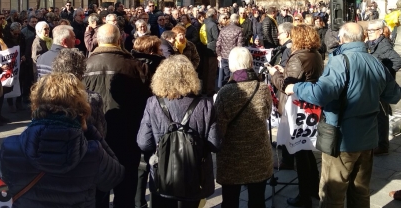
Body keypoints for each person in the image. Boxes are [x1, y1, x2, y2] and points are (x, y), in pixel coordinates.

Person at [286, 23, 401, 207]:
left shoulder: (340, 61)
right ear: (363, 38)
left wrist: (295, 87)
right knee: (361, 192)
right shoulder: (376, 62)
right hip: (368, 138)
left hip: (343, 139)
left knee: (333, 194)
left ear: (342, 39)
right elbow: (394, 94)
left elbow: (320, 93)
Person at [0, 72, 124, 207]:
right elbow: (115, 176)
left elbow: (2, 179)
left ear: (36, 102)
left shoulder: (11, 147)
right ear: (80, 106)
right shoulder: (93, 153)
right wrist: (91, 130)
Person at [137, 56, 221, 208]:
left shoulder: (153, 103)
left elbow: (143, 142)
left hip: (163, 177)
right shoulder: (205, 105)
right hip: (195, 178)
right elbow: (215, 143)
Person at [83, 24, 150, 208]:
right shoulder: (136, 65)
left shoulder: (85, 66)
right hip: (128, 134)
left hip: (95, 135)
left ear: (97, 41)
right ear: (119, 40)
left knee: (99, 189)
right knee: (126, 188)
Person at [269, 25, 324, 208]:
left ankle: (304, 196)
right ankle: (314, 188)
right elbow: (302, 77)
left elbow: (287, 87)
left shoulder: (298, 56)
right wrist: (285, 71)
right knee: (306, 151)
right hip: (310, 105)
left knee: (300, 153)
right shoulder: (314, 53)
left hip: (298, 108)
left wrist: (274, 74)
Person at [215, 47, 273, 208]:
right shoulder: (262, 88)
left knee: (230, 201)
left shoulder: (225, 92)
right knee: (257, 200)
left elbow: (219, 125)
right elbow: (267, 114)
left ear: (232, 65)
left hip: (232, 156)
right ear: (250, 62)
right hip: (258, 153)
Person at [365, 19, 401, 156]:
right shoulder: (373, 43)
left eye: (372, 30)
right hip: (375, 85)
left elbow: (397, 61)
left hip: (380, 85)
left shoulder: (383, 45)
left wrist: (384, 74)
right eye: (368, 30)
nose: (369, 33)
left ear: (380, 31)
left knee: (381, 115)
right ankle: (379, 142)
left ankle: (382, 145)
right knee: (378, 114)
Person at [216, 13, 244, 88]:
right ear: (237, 20)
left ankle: (224, 90)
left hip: (224, 56)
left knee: (225, 75)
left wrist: (218, 54)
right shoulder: (239, 30)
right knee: (234, 75)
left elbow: (218, 44)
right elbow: (239, 45)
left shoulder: (223, 29)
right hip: (234, 57)